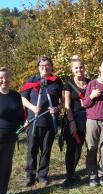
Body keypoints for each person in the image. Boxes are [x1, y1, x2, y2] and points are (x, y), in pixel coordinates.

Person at [21, 56, 63, 187]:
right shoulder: (31, 80)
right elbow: (23, 99)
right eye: (42, 65)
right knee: (32, 150)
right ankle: (30, 176)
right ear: (38, 67)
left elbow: (64, 101)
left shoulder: (57, 82)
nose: (45, 67)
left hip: (49, 122)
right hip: (34, 122)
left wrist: (56, 108)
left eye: (47, 65)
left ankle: (43, 175)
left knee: (46, 150)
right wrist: (33, 107)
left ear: (51, 67)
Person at [61, 58, 90, 188]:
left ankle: (72, 173)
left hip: (86, 120)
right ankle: (68, 177)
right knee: (71, 148)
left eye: (81, 67)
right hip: (72, 118)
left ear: (84, 68)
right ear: (72, 69)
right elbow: (67, 104)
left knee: (79, 147)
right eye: (76, 68)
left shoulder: (90, 83)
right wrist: (71, 122)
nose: (79, 70)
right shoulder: (68, 83)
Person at [0, 67, 24, 194]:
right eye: (1, 78)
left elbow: (20, 116)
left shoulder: (16, 95)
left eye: (6, 77)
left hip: (10, 138)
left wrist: (22, 125)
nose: (4, 80)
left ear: (10, 78)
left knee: (5, 167)